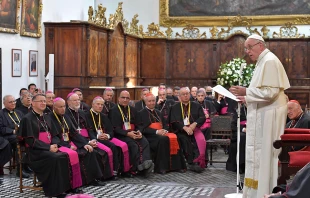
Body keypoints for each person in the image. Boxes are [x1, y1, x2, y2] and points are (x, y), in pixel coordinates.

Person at [230, 34, 290, 198]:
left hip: (269, 116)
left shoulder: (269, 61)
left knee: (263, 156)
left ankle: (264, 192)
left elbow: (270, 92)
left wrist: (246, 91)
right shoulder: (262, 61)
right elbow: (263, 92)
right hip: (264, 114)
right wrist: (247, 97)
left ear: (260, 45)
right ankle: (255, 192)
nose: (247, 51)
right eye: (245, 48)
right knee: (257, 155)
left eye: (249, 47)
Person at [17, 94, 73, 197]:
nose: (43, 103)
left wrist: (54, 144)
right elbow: (30, 140)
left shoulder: (47, 117)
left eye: (44, 101)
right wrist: (48, 147)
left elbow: (55, 135)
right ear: (33, 103)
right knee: (55, 158)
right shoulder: (27, 119)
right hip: (34, 152)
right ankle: (54, 191)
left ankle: (65, 187)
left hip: (49, 148)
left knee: (64, 155)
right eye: (40, 101)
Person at [49, 97, 105, 188]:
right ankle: (73, 183)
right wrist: (67, 146)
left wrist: (85, 144)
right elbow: (53, 137)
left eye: (64, 106)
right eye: (60, 107)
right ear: (54, 107)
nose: (63, 109)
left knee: (90, 151)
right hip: (59, 145)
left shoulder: (66, 117)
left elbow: (74, 133)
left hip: (69, 143)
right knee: (74, 155)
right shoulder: (50, 118)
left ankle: (91, 179)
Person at [65, 93, 113, 180]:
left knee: (103, 151)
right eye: (75, 100)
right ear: (68, 102)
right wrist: (87, 142)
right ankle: (92, 178)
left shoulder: (82, 113)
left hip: (87, 139)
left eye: (78, 100)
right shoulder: (66, 114)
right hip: (75, 140)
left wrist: (93, 139)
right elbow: (72, 132)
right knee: (93, 152)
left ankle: (104, 176)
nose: (77, 102)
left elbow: (89, 129)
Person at [137, 93, 186, 174]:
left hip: (161, 134)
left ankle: (177, 166)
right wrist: (156, 132)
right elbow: (142, 129)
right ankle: (162, 168)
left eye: (153, 101)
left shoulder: (158, 112)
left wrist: (165, 130)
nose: (152, 103)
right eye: (149, 101)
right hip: (150, 137)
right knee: (163, 140)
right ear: (145, 102)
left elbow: (165, 124)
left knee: (174, 137)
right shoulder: (141, 113)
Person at [109, 90, 154, 178]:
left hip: (133, 133)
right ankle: (134, 168)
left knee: (144, 141)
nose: (125, 100)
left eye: (127, 98)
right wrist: (127, 133)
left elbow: (139, 124)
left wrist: (139, 132)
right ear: (119, 99)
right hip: (121, 135)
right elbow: (115, 128)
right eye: (123, 97)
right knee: (133, 145)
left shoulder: (133, 110)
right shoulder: (113, 110)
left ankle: (145, 165)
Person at [86, 96, 131, 178]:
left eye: (102, 105)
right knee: (112, 146)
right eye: (98, 104)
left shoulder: (103, 116)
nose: (100, 106)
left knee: (122, 146)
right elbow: (88, 130)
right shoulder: (86, 115)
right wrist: (97, 136)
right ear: (92, 104)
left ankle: (120, 170)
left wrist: (107, 135)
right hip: (94, 139)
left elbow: (111, 130)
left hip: (104, 138)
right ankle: (110, 172)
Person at [169, 87, 206, 173]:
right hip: (180, 131)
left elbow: (202, 117)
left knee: (199, 139)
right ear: (179, 96)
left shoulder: (196, 105)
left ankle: (198, 162)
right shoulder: (175, 107)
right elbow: (173, 121)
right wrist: (184, 128)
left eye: (187, 94)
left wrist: (194, 124)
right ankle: (191, 162)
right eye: (183, 94)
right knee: (184, 139)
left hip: (194, 129)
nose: (186, 96)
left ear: (190, 94)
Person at [0, 95, 30, 178]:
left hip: (20, 134)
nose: (13, 103)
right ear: (4, 103)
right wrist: (13, 131)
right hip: (8, 136)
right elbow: (1, 129)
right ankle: (19, 170)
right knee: (18, 141)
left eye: (14, 101)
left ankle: (26, 165)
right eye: (10, 102)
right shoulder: (1, 114)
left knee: (30, 140)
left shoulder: (19, 112)